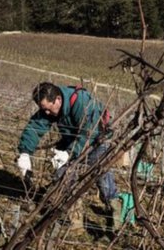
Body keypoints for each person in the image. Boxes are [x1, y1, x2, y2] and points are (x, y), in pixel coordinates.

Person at [16, 82, 121, 231]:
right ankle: (75, 222)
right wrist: (25, 153)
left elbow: (89, 133)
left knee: (101, 174)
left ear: (58, 99)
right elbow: (36, 126)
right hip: (73, 143)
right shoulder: (50, 108)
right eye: (43, 109)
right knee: (63, 176)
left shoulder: (81, 101)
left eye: (47, 109)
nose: (46, 113)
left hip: (97, 140)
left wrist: (68, 153)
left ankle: (115, 214)